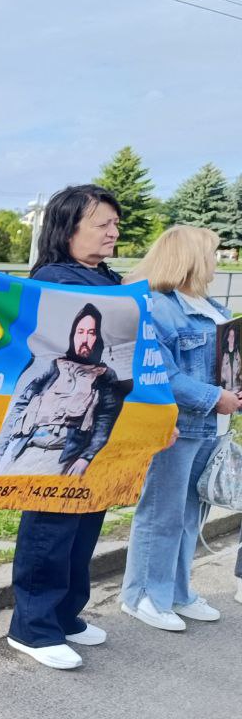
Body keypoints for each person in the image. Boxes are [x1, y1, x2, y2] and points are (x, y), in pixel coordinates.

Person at [5, 184, 123, 671]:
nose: (114, 233)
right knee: (52, 524)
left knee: (87, 520)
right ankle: (32, 627)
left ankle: (67, 614)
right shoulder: (56, 278)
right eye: (103, 225)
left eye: (116, 225)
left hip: (96, 422)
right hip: (56, 424)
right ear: (69, 228)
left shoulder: (107, 278)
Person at [120, 226, 237, 631]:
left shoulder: (208, 305)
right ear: (190, 257)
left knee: (192, 514)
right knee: (162, 513)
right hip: (179, 425)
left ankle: (178, 591)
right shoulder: (157, 306)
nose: (216, 261)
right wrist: (213, 397)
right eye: (212, 254)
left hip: (212, 427)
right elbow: (161, 374)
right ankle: (143, 595)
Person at [0, 303, 123, 476]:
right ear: (72, 335)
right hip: (25, 451)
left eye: (91, 333)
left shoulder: (105, 376)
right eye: (80, 332)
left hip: (63, 457)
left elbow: (105, 421)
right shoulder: (53, 366)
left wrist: (86, 457)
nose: (85, 339)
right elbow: (20, 406)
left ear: (98, 337)